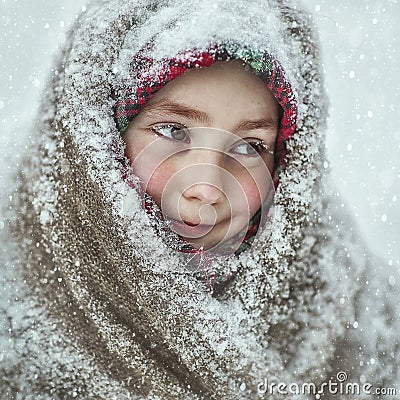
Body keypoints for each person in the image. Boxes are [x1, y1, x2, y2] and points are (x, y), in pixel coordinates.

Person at [1, 0, 398, 399]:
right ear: (95, 139)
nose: (206, 188)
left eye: (248, 147)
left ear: (288, 169)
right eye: (173, 131)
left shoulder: (352, 308)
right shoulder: (15, 318)